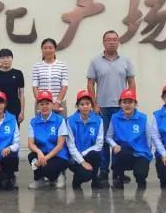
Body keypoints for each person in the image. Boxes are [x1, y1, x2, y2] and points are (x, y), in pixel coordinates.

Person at [86, 30, 136, 183]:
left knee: (118, 139)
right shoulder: (95, 61)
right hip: (102, 108)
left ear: (118, 42)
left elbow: (131, 82)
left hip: (122, 108)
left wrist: (131, 103)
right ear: (103, 42)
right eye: (108, 39)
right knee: (103, 140)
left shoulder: (126, 61)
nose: (112, 42)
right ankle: (103, 170)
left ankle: (117, 171)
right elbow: (90, 84)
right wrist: (94, 104)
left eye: (115, 39)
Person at [106, 89, 155, 190]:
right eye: (124, 102)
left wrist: (148, 153)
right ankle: (119, 178)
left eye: (130, 102)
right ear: (120, 104)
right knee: (122, 147)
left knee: (141, 173)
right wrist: (114, 145)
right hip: (123, 152)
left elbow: (149, 137)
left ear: (135, 104)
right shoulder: (115, 118)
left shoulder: (143, 118)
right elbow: (108, 137)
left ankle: (141, 180)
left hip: (140, 153)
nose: (127, 105)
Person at [27, 90, 70, 189]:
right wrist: (39, 152)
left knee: (48, 170)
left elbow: (60, 145)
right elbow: (30, 144)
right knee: (32, 156)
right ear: (38, 106)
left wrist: (45, 158)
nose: (44, 106)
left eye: (47, 103)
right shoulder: (33, 122)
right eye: (41, 104)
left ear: (52, 105)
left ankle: (59, 175)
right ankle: (39, 179)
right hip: (43, 153)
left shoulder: (60, 120)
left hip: (58, 155)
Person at [66, 90, 104, 190]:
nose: (85, 106)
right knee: (85, 175)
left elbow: (99, 145)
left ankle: (95, 181)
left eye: (87, 103)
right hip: (74, 157)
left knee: (96, 155)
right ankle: (76, 181)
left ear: (91, 105)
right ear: (78, 106)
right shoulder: (70, 121)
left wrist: (83, 153)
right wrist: (82, 161)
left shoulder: (98, 120)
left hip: (89, 155)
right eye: (82, 104)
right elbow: (70, 145)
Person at [32, 38, 69, 116]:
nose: (48, 50)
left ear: (55, 49)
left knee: (60, 123)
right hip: (42, 105)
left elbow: (64, 86)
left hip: (59, 104)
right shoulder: (36, 66)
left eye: (50, 48)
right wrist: (40, 103)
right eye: (45, 48)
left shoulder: (62, 66)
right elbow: (35, 87)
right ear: (42, 50)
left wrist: (57, 103)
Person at [0, 48, 25, 125]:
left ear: (12, 59)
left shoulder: (18, 73)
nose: (5, 60)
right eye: (2, 58)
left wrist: (22, 111)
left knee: (14, 130)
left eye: (8, 57)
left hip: (14, 107)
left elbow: (21, 94)